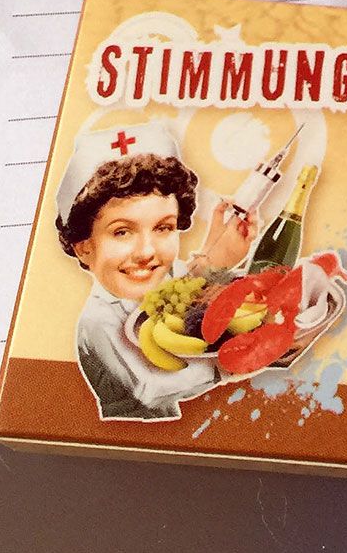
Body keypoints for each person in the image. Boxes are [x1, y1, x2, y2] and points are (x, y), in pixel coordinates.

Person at [56, 149, 253, 421]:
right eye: (122, 232)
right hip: (126, 434)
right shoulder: (97, 321)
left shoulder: (164, 279)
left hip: (177, 428)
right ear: (84, 248)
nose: (146, 252)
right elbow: (148, 390)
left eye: (163, 228)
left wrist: (216, 252)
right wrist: (225, 366)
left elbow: (187, 282)